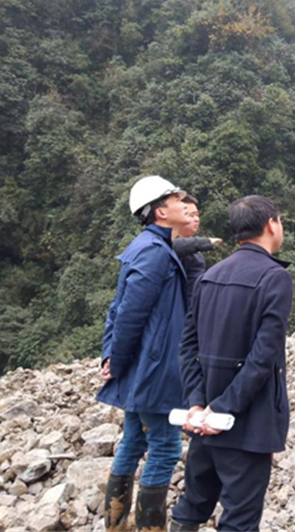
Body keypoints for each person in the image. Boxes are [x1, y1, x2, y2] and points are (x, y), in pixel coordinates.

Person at [171, 195, 293, 532]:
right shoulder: (275, 277)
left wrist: (198, 403)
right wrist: (223, 408)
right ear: (271, 225)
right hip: (246, 423)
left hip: (203, 423)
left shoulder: (210, 276)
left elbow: (188, 345)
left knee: (191, 506)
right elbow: (264, 356)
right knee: (240, 519)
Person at [98, 176, 192, 532]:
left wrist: (112, 356)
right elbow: (128, 313)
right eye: (176, 199)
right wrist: (116, 362)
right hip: (153, 368)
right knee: (166, 449)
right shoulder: (153, 252)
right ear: (160, 212)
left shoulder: (150, 246)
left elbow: (117, 307)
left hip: (142, 365)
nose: (184, 204)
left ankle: (117, 523)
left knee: (134, 441)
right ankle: (148, 527)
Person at [172, 194, 223, 302]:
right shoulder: (172, 246)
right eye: (191, 215)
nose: (197, 219)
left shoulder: (194, 248)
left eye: (197, 215)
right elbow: (173, 246)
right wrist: (206, 242)